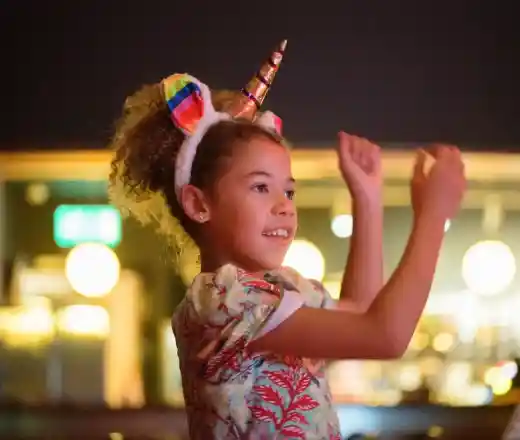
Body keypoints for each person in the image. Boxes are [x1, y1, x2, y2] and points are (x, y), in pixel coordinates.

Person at [108, 40, 466, 439]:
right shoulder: (225, 301)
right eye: (261, 187)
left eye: (289, 191)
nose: (284, 206)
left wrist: (367, 198)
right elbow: (385, 335)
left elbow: (362, 311)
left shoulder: (278, 290)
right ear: (199, 203)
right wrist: (434, 215)